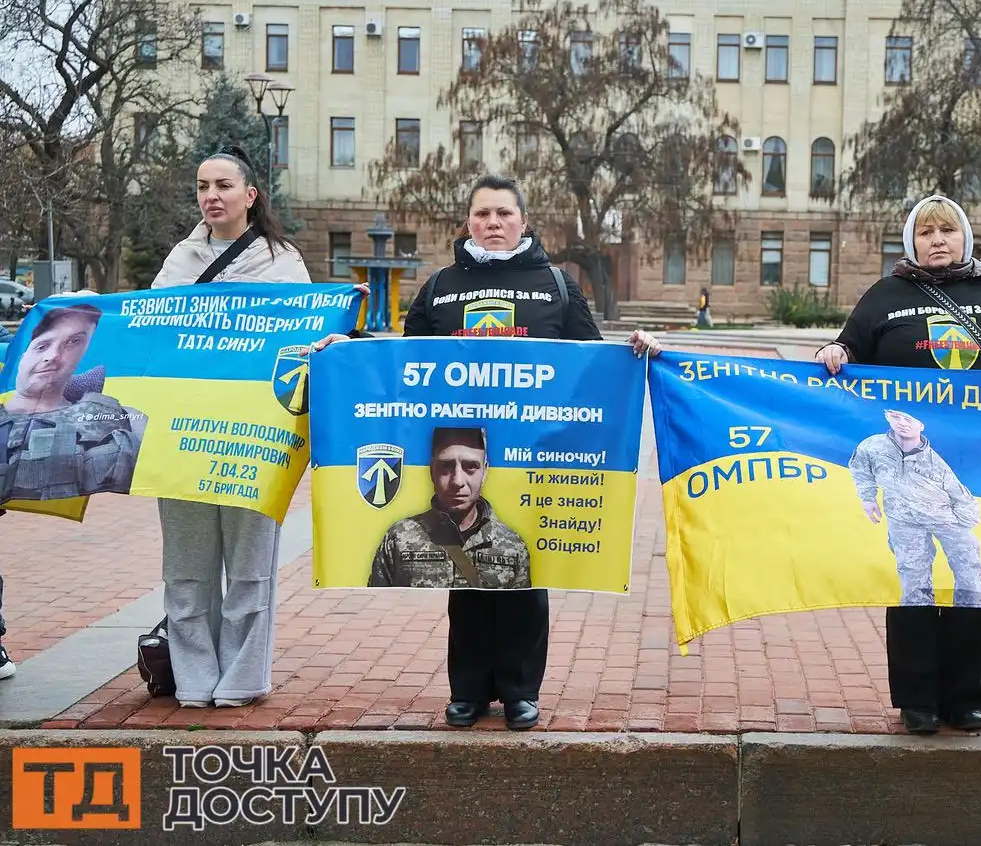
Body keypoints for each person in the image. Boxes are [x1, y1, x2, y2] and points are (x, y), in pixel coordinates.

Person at [314, 172, 657, 731]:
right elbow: (405, 364)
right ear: (468, 222)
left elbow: (593, 365)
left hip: (534, 455)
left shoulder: (556, 285)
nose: (492, 223)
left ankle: (522, 689)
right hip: (459, 445)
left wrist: (635, 349)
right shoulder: (442, 286)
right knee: (465, 578)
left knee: (523, 574)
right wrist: (346, 349)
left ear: (523, 221)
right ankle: (468, 690)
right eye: (482, 215)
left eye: (503, 214)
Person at [815, 194, 981, 736]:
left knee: (973, 582)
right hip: (909, 470)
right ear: (912, 241)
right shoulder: (886, 297)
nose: (938, 240)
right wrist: (835, 355)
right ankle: (917, 700)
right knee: (913, 584)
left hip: (976, 473)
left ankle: (966, 698)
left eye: (948, 231)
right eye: (927, 232)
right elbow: (847, 350)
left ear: (965, 239)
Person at [149, 145, 323, 709]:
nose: (211, 196)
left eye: (223, 185)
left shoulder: (282, 263)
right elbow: (146, 333)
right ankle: (194, 675)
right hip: (183, 438)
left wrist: (339, 320)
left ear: (250, 196)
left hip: (253, 440)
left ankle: (244, 678)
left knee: (250, 568)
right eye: (203, 186)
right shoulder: (179, 261)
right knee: (186, 567)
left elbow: (305, 340)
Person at [0, 304, 147, 502]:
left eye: (73, 342)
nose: (52, 356)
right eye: (42, 346)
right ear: (20, 357)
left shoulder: (120, 420)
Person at [367, 427, 531, 589]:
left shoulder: (512, 546)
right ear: (432, 471)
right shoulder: (399, 539)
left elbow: (520, 613)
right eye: (446, 466)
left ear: (485, 471)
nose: (457, 481)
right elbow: (376, 610)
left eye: (471, 466)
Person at [850, 409, 981, 608]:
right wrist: (868, 498)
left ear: (921, 425)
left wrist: (965, 523)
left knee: (967, 563)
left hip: (944, 517)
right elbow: (861, 468)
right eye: (896, 417)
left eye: (909, 418)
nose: (902, 423)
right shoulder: (872, 446)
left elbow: (959, 493)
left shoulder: (934, 461)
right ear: (888, 418)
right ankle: (917, 622)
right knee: (912, 570)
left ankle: (970, 616)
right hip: (902, 519)